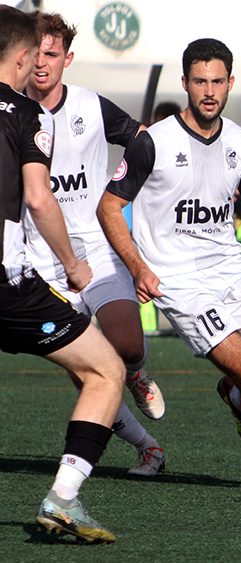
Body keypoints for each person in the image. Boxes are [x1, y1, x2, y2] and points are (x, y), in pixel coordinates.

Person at [98, 38, 241, 492]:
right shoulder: (152, 142)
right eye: (200, 81)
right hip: (178, 281)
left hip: (231, 272)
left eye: (217, 81)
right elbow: (109, 208)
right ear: (186, 84)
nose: (209, 90)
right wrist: (138, 267)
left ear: (231, 83)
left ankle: (235, 396)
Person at [24, 12, 166, 478]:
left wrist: (124, 193)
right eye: (37, 53)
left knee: (124, 347)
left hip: (98, 250)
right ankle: (148, 449)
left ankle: (138, 373)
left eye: (52, 54)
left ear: (68, 58)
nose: (43, 64)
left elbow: (142, 143)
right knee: (88, 372)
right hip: (42, 260)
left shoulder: (90, 106)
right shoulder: (10, 111)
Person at [1, 6, 124, 543]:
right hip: (8, 285)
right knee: (106, 372)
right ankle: (63, 498)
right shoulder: (26, 117)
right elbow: (38, 196)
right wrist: (73, 264)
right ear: (25, 57)